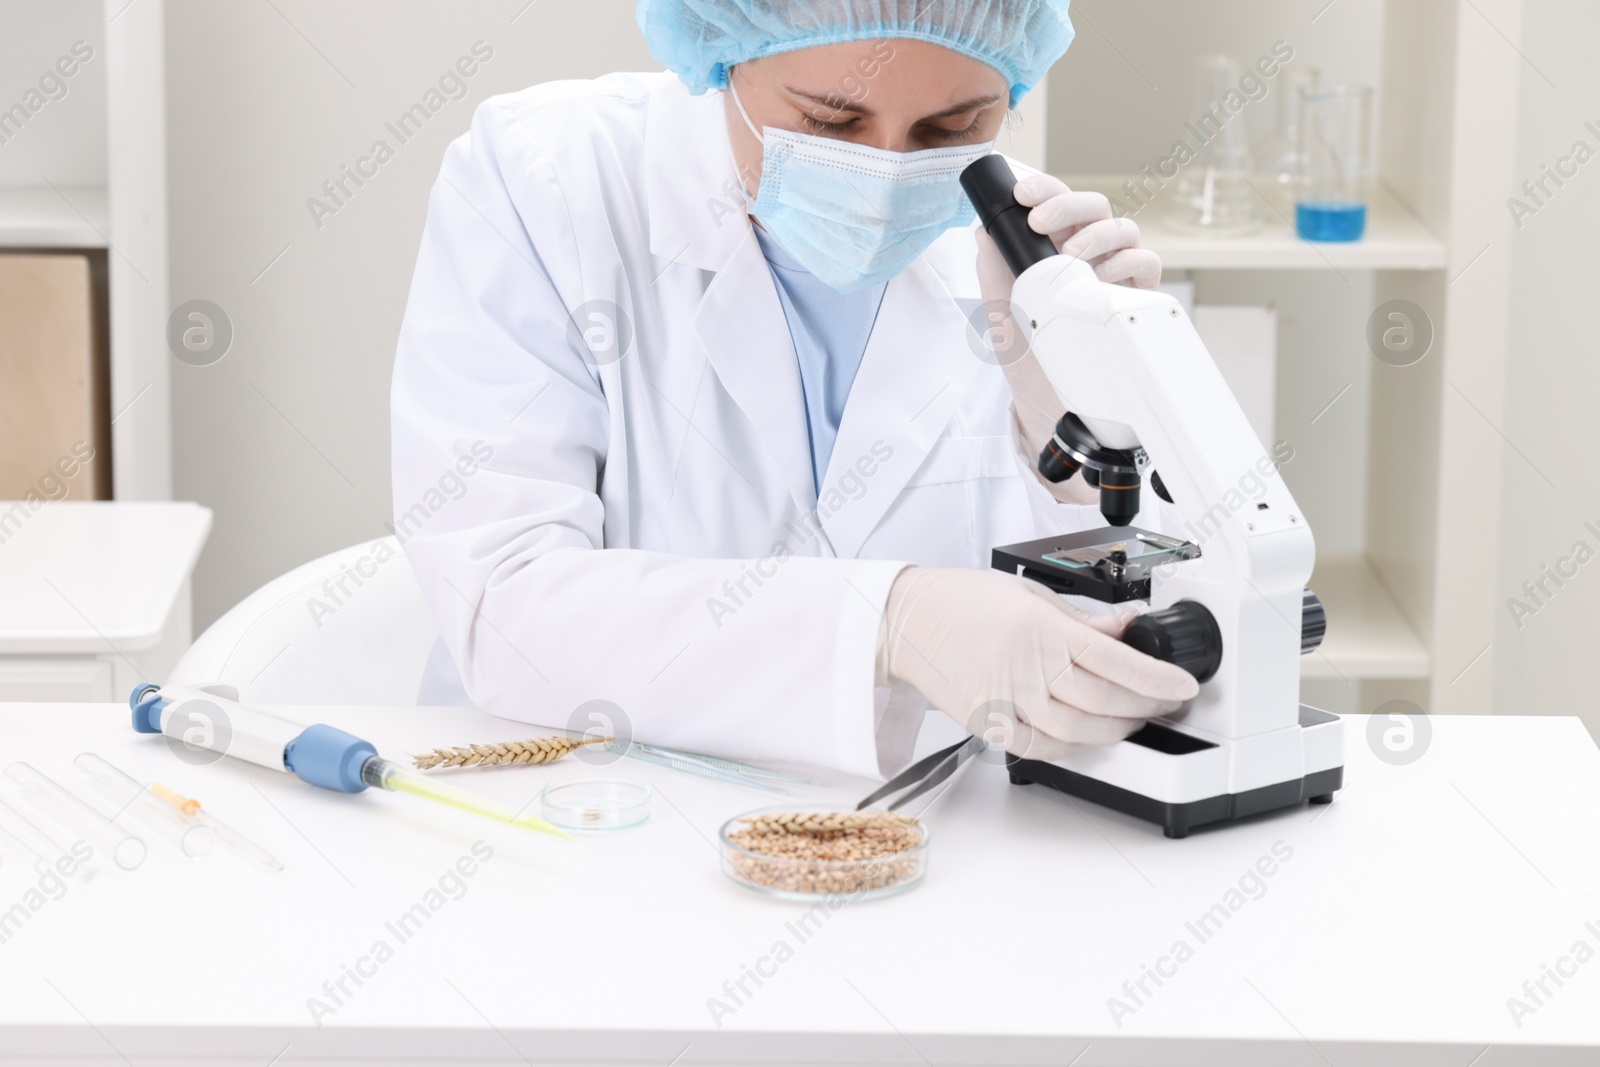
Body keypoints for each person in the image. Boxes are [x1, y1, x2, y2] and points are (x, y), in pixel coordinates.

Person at [390, 0, 1198, 780]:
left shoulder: (1028, 242)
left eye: (951, 129)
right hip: (588, 814)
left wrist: (1074, 418)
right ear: (726, 50)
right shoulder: (548, 180)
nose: (885, 171)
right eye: (830, 121)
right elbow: (505, 604)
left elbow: (1156, 624)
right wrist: (888, 622)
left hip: (941, 848)